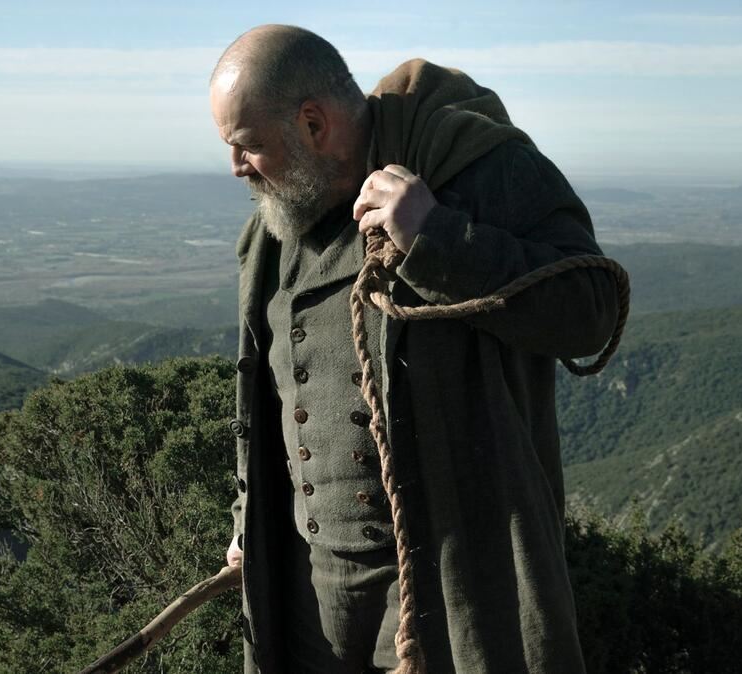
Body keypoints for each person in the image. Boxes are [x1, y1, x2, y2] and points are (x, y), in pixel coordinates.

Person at [210, 24, 620, 674]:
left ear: (313, 124)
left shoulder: (474, 170)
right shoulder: (272, 233)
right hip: (310, 604)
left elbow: (591, 310)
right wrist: (247, 523)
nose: (235, 167)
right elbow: (269, 403)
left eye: (248, 145)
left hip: (454, 598)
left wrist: (435, 236)